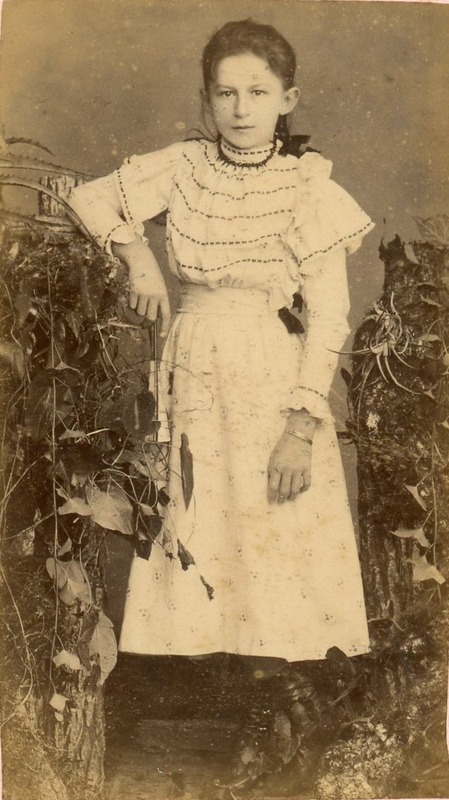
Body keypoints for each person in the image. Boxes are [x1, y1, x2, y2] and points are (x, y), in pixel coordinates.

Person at [69, 18, 374, 791]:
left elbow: (328, 319)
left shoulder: (307, 188)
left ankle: (281, 733)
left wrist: (299, 427)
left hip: (271, 377)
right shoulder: (184, 168)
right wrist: (138, 255)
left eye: (258, 93)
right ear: (206, 100)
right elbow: (89, 199)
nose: (240, 109)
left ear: (287, 100)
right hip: (192, 369)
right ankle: (217, 729)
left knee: (273, 537)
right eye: (225, 93)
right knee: (200, 529)